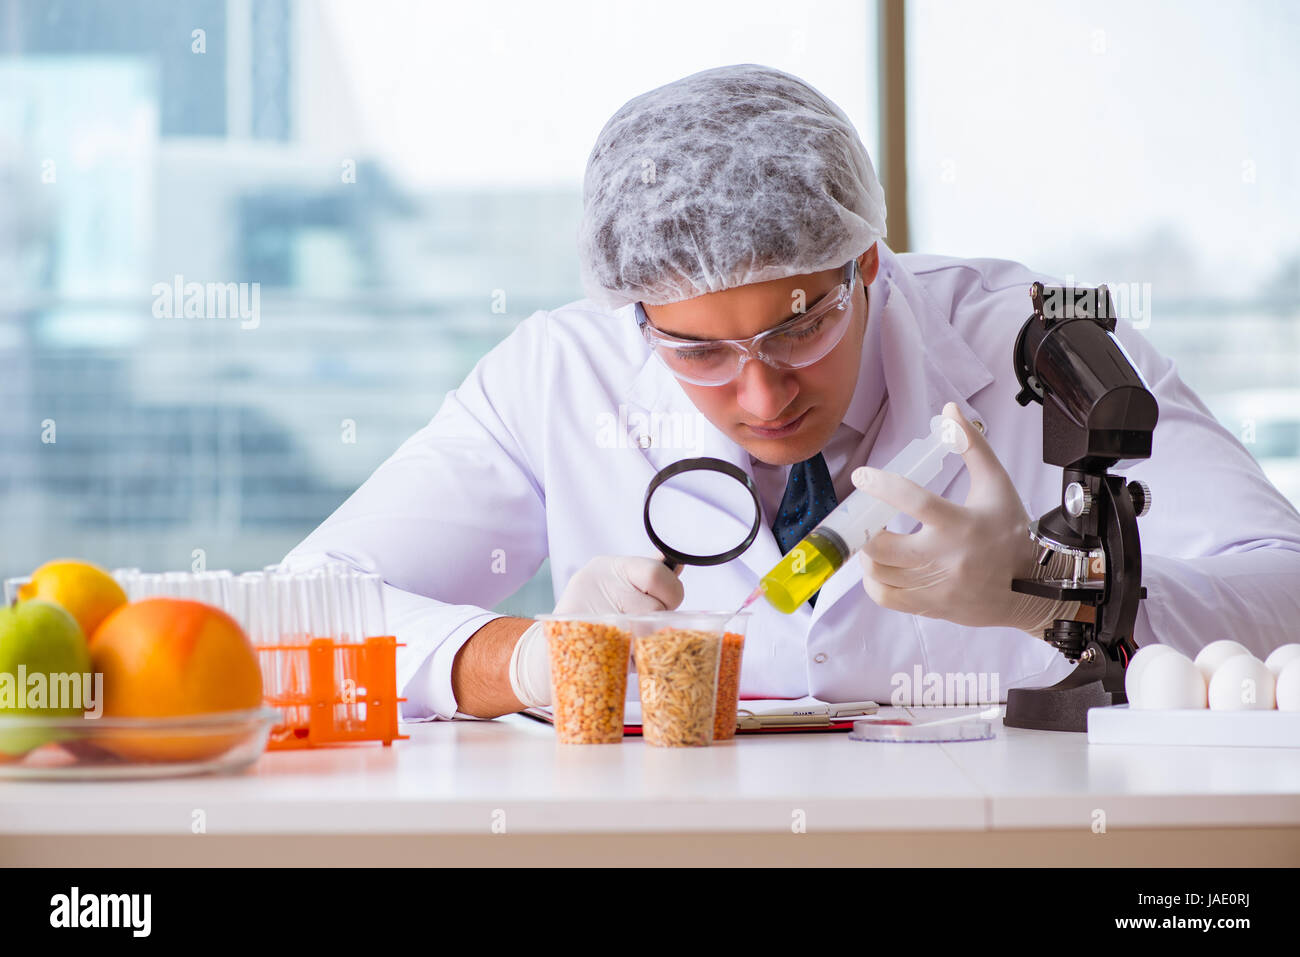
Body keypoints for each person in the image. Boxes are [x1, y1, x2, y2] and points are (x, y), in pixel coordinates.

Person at [282, 64, 1300, 720]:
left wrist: (1052, 592)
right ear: (637, 316)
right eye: (696, 352)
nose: (761, 395)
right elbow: (296, 611)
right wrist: (533, 662)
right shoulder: (558, 374)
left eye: (799, 326)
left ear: (867, 263)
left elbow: (1286, 591)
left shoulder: (1039, 336)